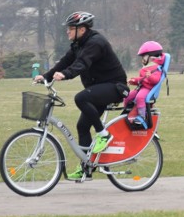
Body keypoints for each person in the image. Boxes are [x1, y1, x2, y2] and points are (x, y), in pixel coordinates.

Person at [34, 11, 127, 178]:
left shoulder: (95, 43)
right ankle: (87, 168)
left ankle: (104, 135)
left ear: (82, 29)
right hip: (98, 89)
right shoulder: (78, 44)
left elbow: (82, 63)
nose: (67, 32)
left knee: (81, 97)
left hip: (114, 87)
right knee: (82, 126)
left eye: (70, 28)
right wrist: (46, 76)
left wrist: (66, 74)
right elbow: (65, 61)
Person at [124, 41, 166, 128]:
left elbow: (156, 80)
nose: (142, 59)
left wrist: (150, 76)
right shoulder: (148, 68)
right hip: (142, 88)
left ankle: (142, 117)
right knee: (127, 96)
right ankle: (127, 114)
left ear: (150, 57)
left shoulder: (155, 68)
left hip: (148, 89)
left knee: (140, 97)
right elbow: (143, 79)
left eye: (143, 56)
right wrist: (133, 80)